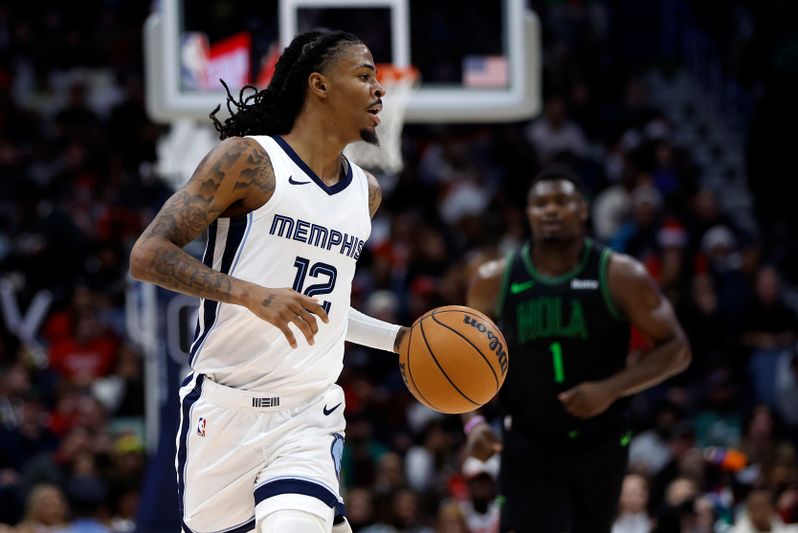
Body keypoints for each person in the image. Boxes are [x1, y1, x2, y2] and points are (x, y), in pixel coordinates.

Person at [130, 30, 411, 533]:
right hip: (222, 412)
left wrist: (400, 340)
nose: (379, 89)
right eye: (364, 76)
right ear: (319, 85)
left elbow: (324, 310)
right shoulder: (249, 161)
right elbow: (148, 255)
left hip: (308, 414)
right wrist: (250, 294)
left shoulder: (363, 195)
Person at [463, 166, 691, 533]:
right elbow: (462, 360)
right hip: (527, 442)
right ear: (528, 214)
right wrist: (472, 421)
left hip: (601, 443)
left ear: (583, 210)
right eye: (540, 204)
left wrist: (610, 389)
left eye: (562, 202)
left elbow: (677, 348)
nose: (551, 210)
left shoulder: (619, 275)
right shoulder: (493, 280)